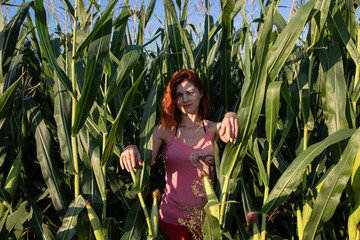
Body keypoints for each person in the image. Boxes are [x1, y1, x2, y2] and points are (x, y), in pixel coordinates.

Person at [120, 69, 239, 240]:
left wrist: (231, 115)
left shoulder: (212, 129)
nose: (185, 99)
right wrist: (131, 148)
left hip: (208, 223)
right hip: (171, 220)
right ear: (174, 100)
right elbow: (143, 161)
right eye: (179, 95)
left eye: (190, 93)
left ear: (201, 93)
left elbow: (230, 131)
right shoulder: (164, 131)